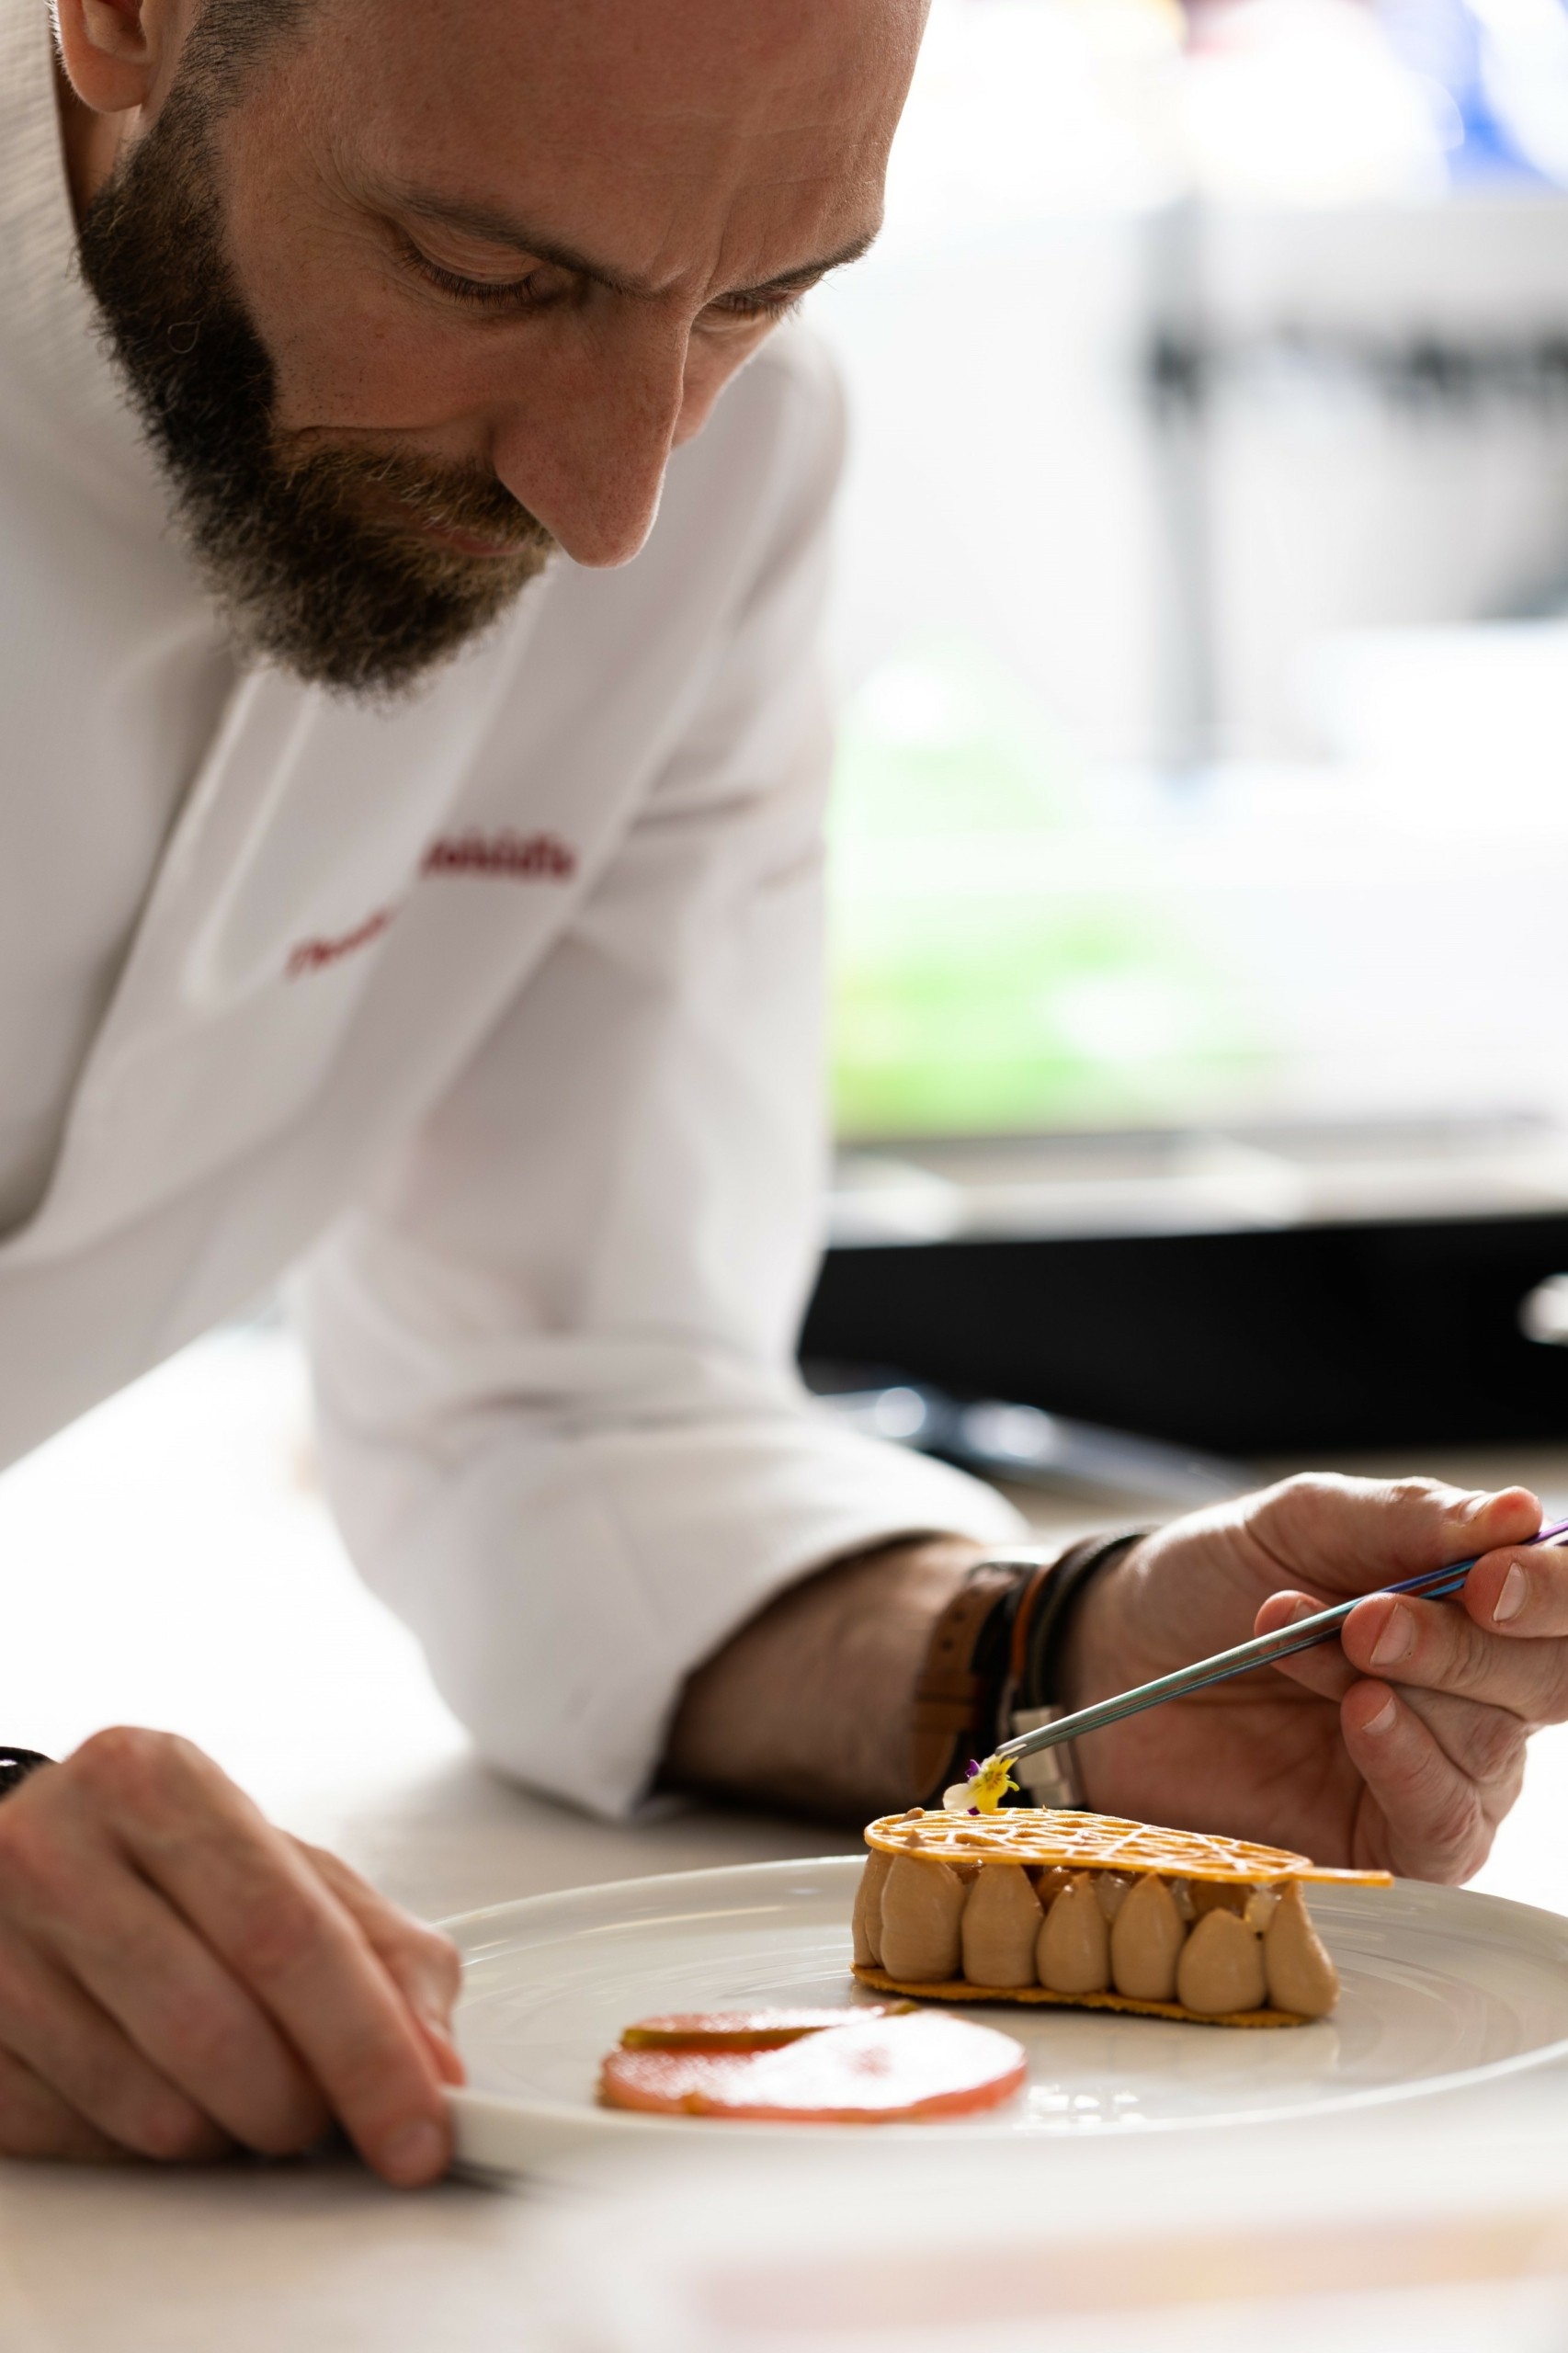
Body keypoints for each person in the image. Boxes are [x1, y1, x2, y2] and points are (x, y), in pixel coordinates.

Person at [3, 0, 1567, 2186]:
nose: (614, 500)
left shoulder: (731, 473)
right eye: (485, 272)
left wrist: (1043, 1663)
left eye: (755, 295)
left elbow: (578, 1403)